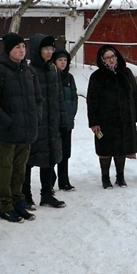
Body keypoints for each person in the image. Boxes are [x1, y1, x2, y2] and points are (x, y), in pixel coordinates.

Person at [0, 33, 42, 223]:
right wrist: (7, 122)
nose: (21, 50)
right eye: (17, 47)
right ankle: (5, 205)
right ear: (8, 50)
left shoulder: (29, 71)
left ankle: (18, 202)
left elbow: (38, 99)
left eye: (23, 46)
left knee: (20, 171)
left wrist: (36, 118)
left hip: (26, 132)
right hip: (6, 134)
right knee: (5, 170)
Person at [86, 45, 137, 189]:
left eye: (113, 56)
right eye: (107, 58)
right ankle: (105, 178)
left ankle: (120, 177)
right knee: (105, 150)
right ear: (102, 60)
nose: (111, 60)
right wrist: (94, 122)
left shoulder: (126, 73)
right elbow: (91, 101)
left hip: (125, 118)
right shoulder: (97, 77)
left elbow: (135, 95)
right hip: (105, 120)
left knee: (121, 149)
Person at [24, 35, 66, 208]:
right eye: (46, 49)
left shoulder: (52, 70)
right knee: (28, 161)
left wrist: (62, 118)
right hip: (35, 123)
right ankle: (25, 195)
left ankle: (47, 193)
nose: (49, 53)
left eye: (51, 49)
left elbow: (59, 96)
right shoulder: (28, 70)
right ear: (37, 50)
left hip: (51, 122)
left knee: (49, 158)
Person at [53, 47, 78, 191]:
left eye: (65, 60)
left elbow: (74, 98)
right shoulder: (50, 76)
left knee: (65, 152)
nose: (63, 63)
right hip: (54, 122)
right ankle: (51, 178)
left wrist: (71, 114)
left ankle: (64, 180)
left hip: (67, 122)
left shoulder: (69, 78)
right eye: (60, 60)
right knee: (53, 151)